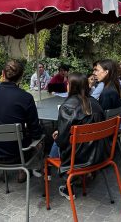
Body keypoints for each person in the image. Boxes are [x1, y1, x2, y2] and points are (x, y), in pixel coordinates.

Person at [0, 59, 43, 183]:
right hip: (16, 154)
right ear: (21, 77)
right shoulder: (25, 97)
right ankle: (25, 170)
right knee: (40, 139)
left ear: (2, 74)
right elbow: (35, 130)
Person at [49, 72, 105, 200]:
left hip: (76, 159)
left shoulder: (67, 106)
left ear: (70, 86)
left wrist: (60, 133)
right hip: (99, 153)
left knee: (55, 143)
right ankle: (82, 176)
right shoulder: (96, 103)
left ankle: (65, 184)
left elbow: (62, 142)